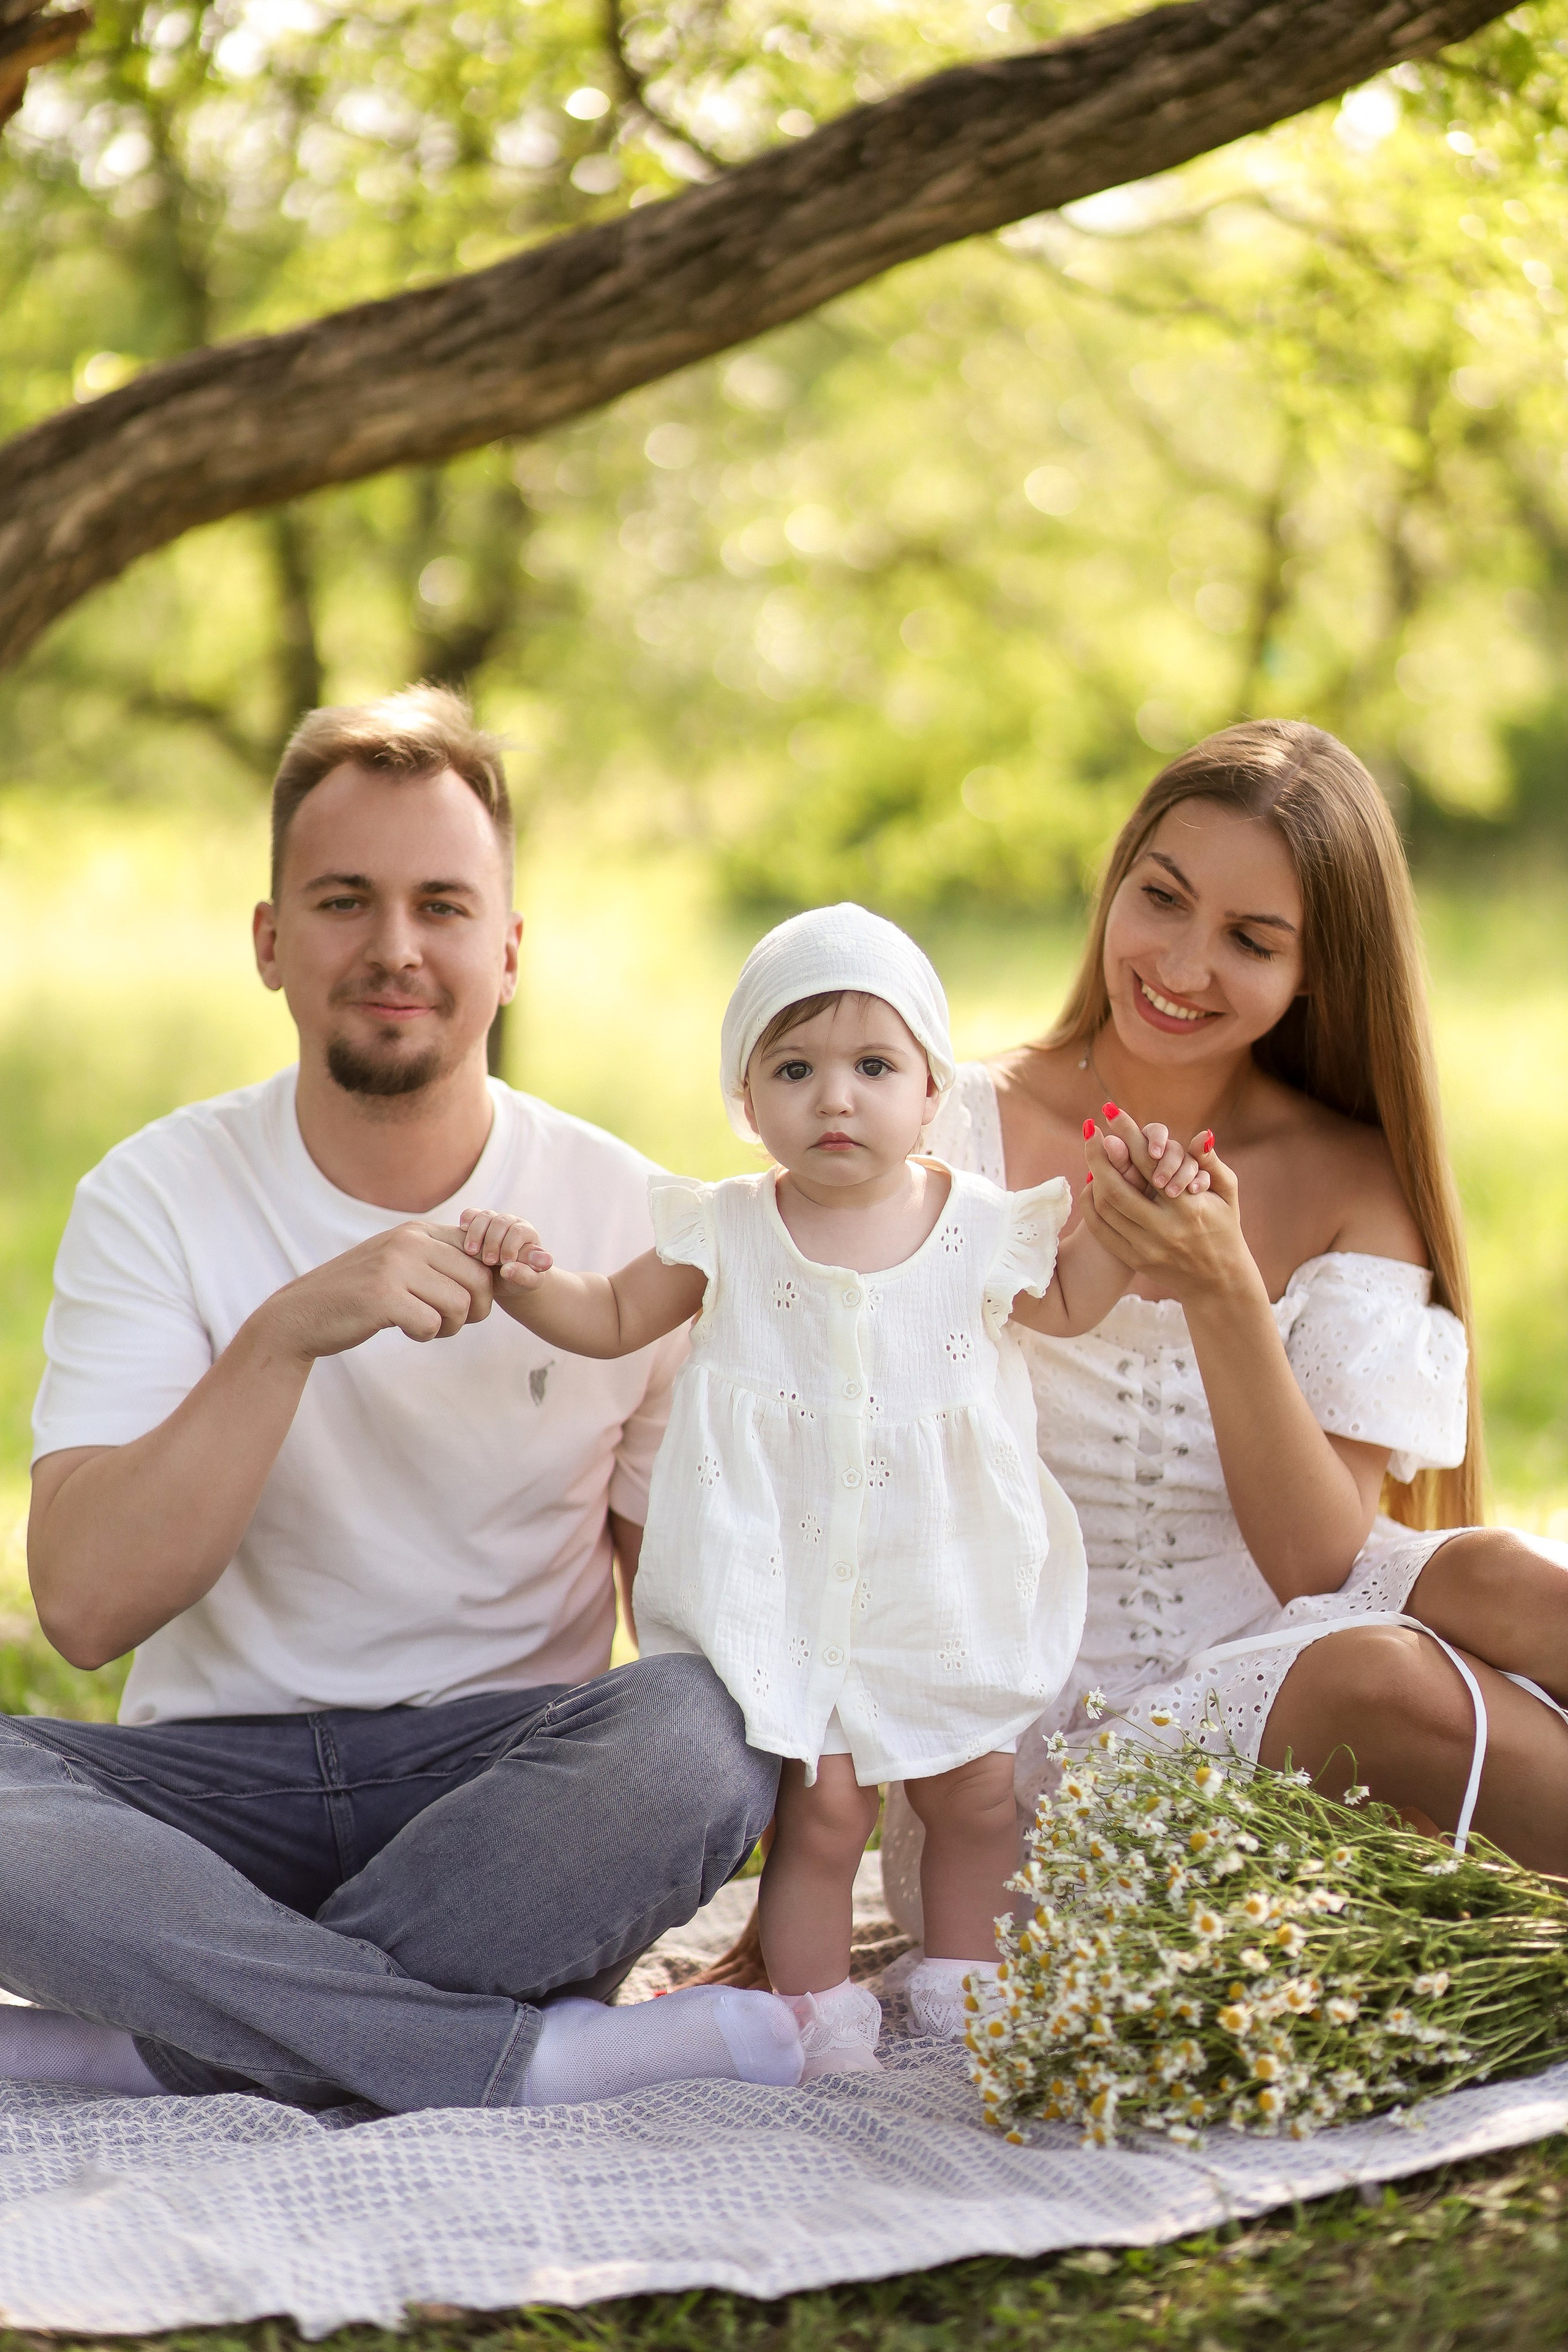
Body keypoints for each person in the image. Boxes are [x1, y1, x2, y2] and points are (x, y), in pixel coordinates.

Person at [4, 684, 803, 2111]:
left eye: (442, 905)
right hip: (207, 1797)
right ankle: (510, 2059)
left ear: (508, 949)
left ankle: (167, 2042)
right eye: (341, 901)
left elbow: (691, 1623)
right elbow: (83, 1607)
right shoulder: (156, 1194)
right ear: (268, 941)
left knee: (703, 1733)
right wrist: (285, 1335)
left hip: (491, 1787)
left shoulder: (630, 1213)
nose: (393, 949)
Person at [706, 718, 1568, 1989]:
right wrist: (792, 1882)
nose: (1177, 962)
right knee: (1382, 1678)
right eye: (1158, 898)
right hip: (1027, 1748)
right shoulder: (945, 1130)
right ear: (1114, 883)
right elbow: (818, 1489)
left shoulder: (1348, 1181)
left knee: (1507, 1578)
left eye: (1247, 939)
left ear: (1316, 971)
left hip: (1276, 1651)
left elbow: (1316, 1561)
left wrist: (1221, 1291)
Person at [457, 903, 1208, 2074]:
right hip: (792, 1581)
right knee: (822, 1812)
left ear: (929, 1091)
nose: (836, 1099)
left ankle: (970, 1987)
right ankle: (809, 2024)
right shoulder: (733, 1227)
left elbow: (1065, 1304)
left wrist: (1127, 1222)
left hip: (943, 1569)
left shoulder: (975, 1226)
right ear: (749, 1101)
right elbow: (607, 1317)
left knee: (976, 1794)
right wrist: (524, 1282)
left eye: (873, 1067)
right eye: (795, 1069)